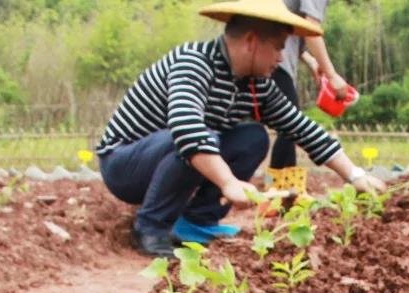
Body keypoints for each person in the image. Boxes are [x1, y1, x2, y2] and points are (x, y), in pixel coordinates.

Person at [96, 0, 384, 257]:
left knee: (253, 137)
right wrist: (228, 183)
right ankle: (150, 228)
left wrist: (354, 174)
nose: (281, 58)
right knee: (201, 135)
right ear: (251, 41)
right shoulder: (194, 63)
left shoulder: (256, 86)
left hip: (170, 157)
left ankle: (198, 220)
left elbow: (301, 128)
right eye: (278, 48)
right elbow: (187, 129)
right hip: (125, 166)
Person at [269, 0, 348, 170]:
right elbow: (311, 29)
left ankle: (280, 184)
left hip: (260, 53)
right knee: (291, 125)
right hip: (272, 59)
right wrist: (332, 75)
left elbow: (290, 26)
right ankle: (281, 185)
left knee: (285, 126)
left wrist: (311, 61)